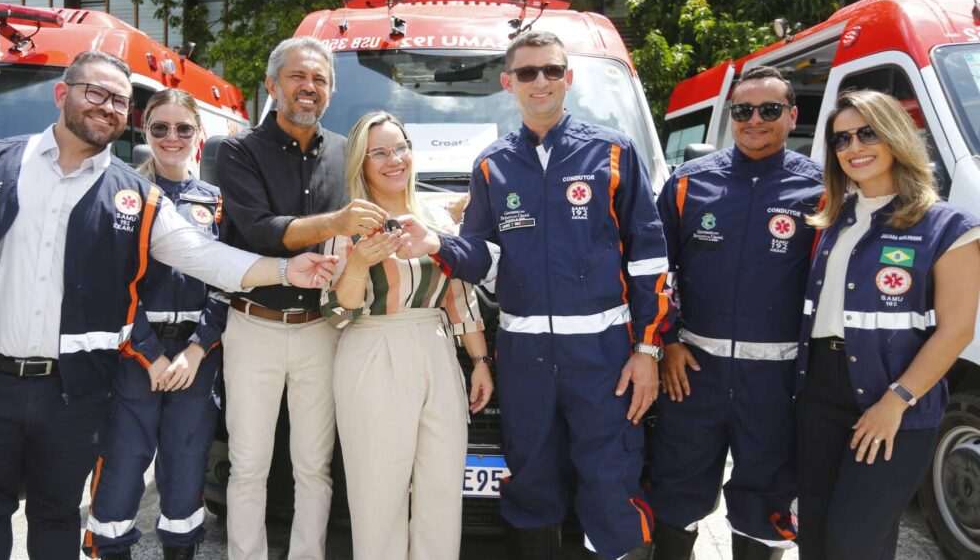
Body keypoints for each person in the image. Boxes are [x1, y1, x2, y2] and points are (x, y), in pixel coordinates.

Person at [0, 50, 336, 560]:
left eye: (119, 101)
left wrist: (277, 276)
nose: (108, 108)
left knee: (74, 507)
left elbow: (209, 260)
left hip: (95, 380)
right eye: (96, 93)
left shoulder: (155, 195)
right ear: (63, 94)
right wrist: (146, 350)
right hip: (18, 375)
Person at [397, 30, 668, 560]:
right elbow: (477, 255)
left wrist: (649, 350)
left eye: (551, 70)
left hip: (604, 357)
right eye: (527, 72)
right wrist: (436, 243)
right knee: (530, 485)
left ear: (568, 79)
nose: (540, 81)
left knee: (611, 483)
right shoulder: (492, 165)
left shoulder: (614, 152)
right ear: (508, 83)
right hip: (525, 359)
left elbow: (650, 261)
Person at [216, 36, 387, 560]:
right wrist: (335, 222)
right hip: (254, 326)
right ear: (272, 85)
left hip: (322, 330)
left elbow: (387, 201)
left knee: (314, 466)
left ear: (330, 92)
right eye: (297, 76)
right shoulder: (237, 151)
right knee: (248, 465)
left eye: (319, 80)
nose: (308, 87)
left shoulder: (344, 152)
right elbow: (260, 230)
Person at [646, 66, 822, 560]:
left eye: (769, 110)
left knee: (765, 498)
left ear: (792, 115)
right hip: (694, 371)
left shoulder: (820, 190)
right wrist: (669, 340)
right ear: (731, 117)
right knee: (677, 489)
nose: (755, 120)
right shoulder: (689, 183)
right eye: (743, 111)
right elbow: (655, 271)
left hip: (775, 378)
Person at [796, 89, 980, 559]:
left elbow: (957, 329)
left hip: (894, 401)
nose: (853, 148)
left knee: (852, 541)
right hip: (821, 393)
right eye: (841, 140)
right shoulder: (833, 219)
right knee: (815, 537)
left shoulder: (948, 225)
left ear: (896, 135)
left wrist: (895, 402)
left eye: (867, 133)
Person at [319, 111, 494, 560]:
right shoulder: (346, 223)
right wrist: (358, 263)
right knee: (378, 493)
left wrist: (478, 361)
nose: (393, 159)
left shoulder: (433, 216)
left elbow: (458, 295)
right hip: (372, 348)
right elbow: (339, 312)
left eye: (400, 148)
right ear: (361, 162)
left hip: (436, 348)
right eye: (379, 152)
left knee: (441, 488)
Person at [82, 89, 228, 560]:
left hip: (195, 358)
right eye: (160, 128)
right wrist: (149, 354)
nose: (172, 137)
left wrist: (198, 348)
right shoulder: (125, 192)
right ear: (144, 132)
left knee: (186, 469)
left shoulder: (216, 201)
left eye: (183, 128)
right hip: (134, 357)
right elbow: (111, 282)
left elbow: (227, 280)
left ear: (198, 135)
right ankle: (109, 547)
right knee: (123, 467)